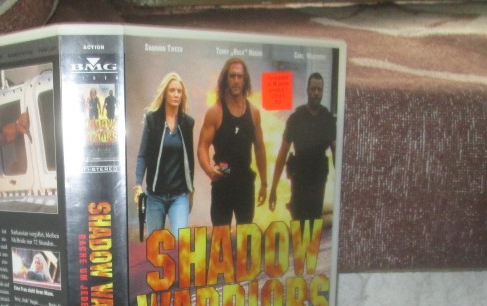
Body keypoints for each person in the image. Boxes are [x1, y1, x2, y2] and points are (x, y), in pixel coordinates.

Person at [197, 58, 267, 226]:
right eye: (232, 76)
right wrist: (208, 169)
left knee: (246, 236)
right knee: (221, 237)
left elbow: (259, 149)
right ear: (225, 79)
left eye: (239, 76)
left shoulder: (254, 113)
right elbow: (202, 146)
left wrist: (264, 183)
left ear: (245, 80)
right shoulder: (215, 112)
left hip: (245, 182)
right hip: (223, 179)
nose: (236, 80)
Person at [134, 72, 195, 237]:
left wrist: (191, 190)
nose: (176, 94)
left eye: (179, 91)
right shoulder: (152, 120)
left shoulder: (187, 123)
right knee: (155, 245)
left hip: (179, 195)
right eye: (172, 90)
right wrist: (138, 184)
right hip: (155, 195)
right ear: (165, 94)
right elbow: (143, 155)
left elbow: (189, 160)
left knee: (180, 242)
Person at [268, 72, 336, 221]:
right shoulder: (296, 119)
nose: (316, 93)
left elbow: (336, 152)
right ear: (307, 90)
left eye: (319, 90)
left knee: (313, 224)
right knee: (298, 222)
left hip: (318, 180)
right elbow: (282, 154)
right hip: (299, 179)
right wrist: (273, 188)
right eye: (313, 89)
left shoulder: (327, 119)